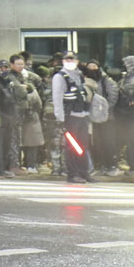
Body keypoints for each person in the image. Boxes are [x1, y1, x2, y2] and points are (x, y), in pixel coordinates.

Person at [52, 50, 94, 183]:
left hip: (82, 115)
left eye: (72, 59)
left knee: (83, 145)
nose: (70, 62)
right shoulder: (60, 77)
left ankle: (83, 172)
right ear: (63, 61)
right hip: (70, 116)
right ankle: (73, 173)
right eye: (67, 59)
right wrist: (60, 118)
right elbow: (57, 98)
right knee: (72, 146)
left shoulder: (79, 75)